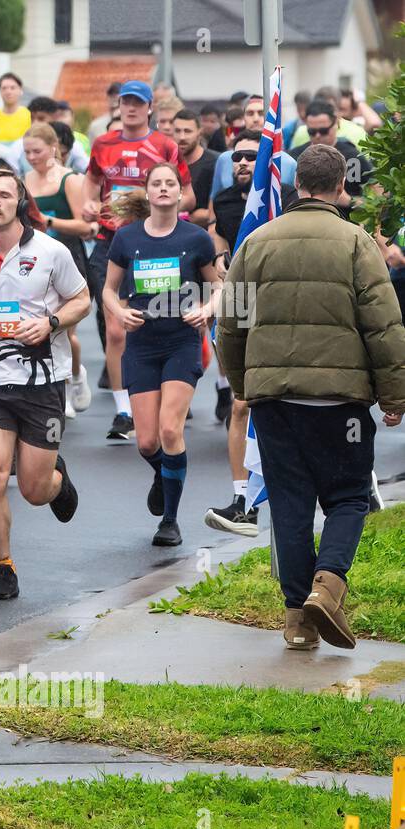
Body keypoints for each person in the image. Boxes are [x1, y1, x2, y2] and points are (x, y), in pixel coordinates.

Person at [216, 144, 405, 652]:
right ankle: (330, 584)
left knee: (291, 503)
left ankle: (298, 619)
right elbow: (384, 328)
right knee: (347, 498)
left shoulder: (255, 242)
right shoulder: (357, 244)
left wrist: (241, 384)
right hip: (340, 401)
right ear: (341, 187)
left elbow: (230, 321)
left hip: (275, 401)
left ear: (296, 184)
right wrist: (395, 397)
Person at [0, 169, 87, 600]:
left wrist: (49, 323)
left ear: (19, 201)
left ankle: (56, 480)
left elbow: (81, 300)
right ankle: (4, 568)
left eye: (4, 194)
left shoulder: (50, 252)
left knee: (32, 489)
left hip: (42, 383)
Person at [102, 167, 221, 546]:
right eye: (158, 184)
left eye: (171, 183)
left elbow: (219, 284)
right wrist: (120, 314)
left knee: (171, 429)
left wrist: (207, 310)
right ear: (148, 192)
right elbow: (107, 290)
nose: (165, 189)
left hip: (182, 341)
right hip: (141, 344)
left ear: (180, 192)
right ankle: (164, 471)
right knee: (148, 442)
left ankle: (169, 520)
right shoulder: (127, 237)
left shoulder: (196, 238)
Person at [82, 80, 193, 442]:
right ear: (119, 106)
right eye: (125, 102)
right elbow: (91, 180)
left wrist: (154, 206)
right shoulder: (103, 143)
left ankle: (162, 392)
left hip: (153, 242)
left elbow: (188, 195)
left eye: (137, 103)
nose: (130, 108)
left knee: (153, 320)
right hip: (110, 240)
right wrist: (88, 203)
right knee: (115, 328)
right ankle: (123, 410)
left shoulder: (164, 145)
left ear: (149, 108)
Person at [203, 130, 297, 536]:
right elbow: (218, 241)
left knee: (297, 404)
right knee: (242, 405)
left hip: (284, 308)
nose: (244, 163)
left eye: (251, 157)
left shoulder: (285, 195)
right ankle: (243, 500)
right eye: (237, 157)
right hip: (241, 302)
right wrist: (221, 263)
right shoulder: (223, 200)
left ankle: (355, 483)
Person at [22, 123, 96, 420]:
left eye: (37, 151)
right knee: (43, 329)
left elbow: (85, 226)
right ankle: (55, 388)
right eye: (26, 152)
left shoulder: (70, 180)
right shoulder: (24, 179)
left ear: (54, 148)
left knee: (64, 330)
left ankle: (74, 375)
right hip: (35, 262)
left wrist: (47, 221)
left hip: (67, 257)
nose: (31, 157)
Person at [290, 100, 374, 214]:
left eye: (323, 131)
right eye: (312, 131)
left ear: (336, 124)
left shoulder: (353, 157)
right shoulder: (294, 157)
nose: (318, 136)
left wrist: (349, 201)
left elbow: (377, 201)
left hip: (345, 225)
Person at [210, 95, 296, 198]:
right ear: (243, 119)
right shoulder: (225, 159)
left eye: (261, 113)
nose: (255, 119)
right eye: (250, 113)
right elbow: (214, 203)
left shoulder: (288, 163)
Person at [171, 110, 219, 228]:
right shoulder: (165, 164)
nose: (182, 137)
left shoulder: (215, 163)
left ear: (199, 132)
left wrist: (204, 215)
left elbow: (225, 208)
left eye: (187, 131)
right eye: (177, 131)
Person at [0, 73, 31, 144]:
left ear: (20, 90)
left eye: (12, 88)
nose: (8, 92)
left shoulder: (29, 115)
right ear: (0, 91)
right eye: (4, 88)